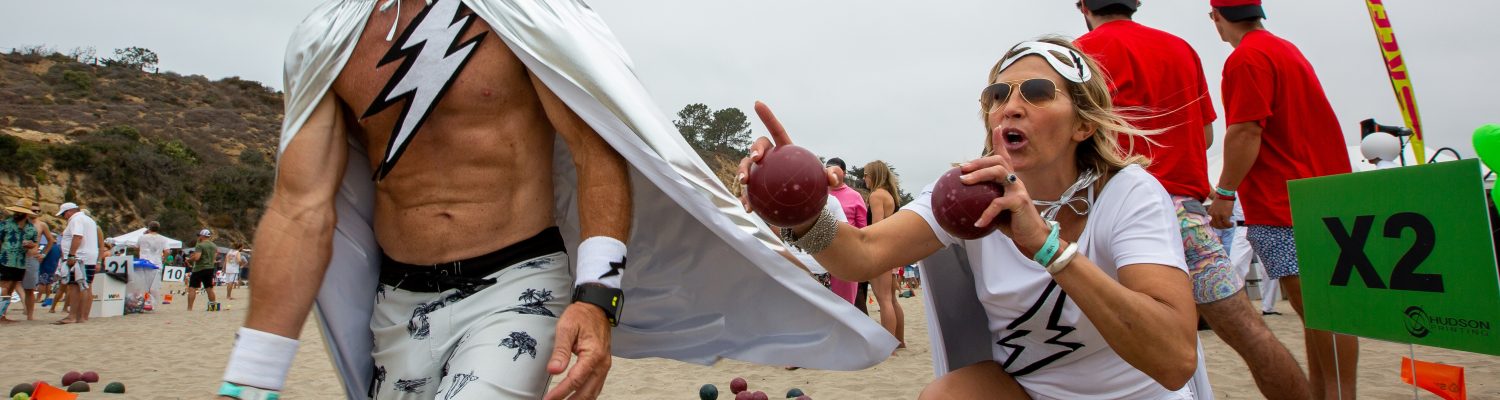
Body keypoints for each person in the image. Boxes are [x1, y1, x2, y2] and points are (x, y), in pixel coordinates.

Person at [221, 1, 895, 398]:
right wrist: (251, 379)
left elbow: (595, 150)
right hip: (397, 304)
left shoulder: (526, 13)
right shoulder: (330, 39)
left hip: (517, 285)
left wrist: (597, 299)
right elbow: (300, 209)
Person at [740, 37, 1199, 399]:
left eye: (1038, 92)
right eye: (997, 95)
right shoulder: (964, 193)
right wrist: (801, 206)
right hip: (1027, 390)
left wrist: (1047, 247)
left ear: (1084, 124)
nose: (1010, 106)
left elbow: (1175, 361)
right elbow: (863, 254)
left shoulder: (1127, 194)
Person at [1072, 1, 1310, 398]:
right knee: (1248, 331)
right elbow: (1206, 135)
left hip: (1115, 207)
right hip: (1183, 209)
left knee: (1104, 337)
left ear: (1083, 6)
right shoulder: (1179, 48)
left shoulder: (1077, 54)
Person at [1206, 1, 1358, 398]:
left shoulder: (1247, 58)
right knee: (1319, 313)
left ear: (1216, 16)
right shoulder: (1285, 49)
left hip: (1284, 200)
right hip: (1319, 193)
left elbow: (1246, 130)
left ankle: (1340, 394)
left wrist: (1225, 192)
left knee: (1323, 312)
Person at [862, 160, 906, 349]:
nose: (864, 179)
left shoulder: (876, 195)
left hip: (881, 251)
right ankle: (899, 341)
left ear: (873, 176)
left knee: (884, 300)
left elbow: (877, 226)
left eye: (866, 175)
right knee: (892, 299)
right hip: (893, 250)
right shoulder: (890, 195)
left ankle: (889, 347)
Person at [824, 157, 867, 311]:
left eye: (836, 169)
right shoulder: (819, 193)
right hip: (822, 255)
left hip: (846, 255)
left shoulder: (855, 196)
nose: (831, 172)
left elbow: (863, 229)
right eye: (828, 168)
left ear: (845, 173)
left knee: (846, 306)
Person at [55, 202, 99, 325]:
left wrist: (71, 255)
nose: (64, 217)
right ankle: (82, 316)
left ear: (69, 212)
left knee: (75, 286)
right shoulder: (89, 220)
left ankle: (72, 316)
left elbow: (77, 237)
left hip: (79, 257)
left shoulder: (76, 220)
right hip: (89, 257)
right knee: (86, 286)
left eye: (63, 214)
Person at [1, 200, 39, 324]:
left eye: (20, 212)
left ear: (26, 213)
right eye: (16, 211)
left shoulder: (31, 228)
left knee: (11, 289)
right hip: (6, 260)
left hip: (20, 262)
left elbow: (34, 243)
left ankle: (3, 315)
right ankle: (0, 315)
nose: (16, 213)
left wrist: (30, 245)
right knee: (4, 287)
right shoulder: (5, 224)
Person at [28, 203, 60, 314]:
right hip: (19, 258)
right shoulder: (22, 223)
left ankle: (29, 310)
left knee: (32, 285)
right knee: (13, 283)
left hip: (34, 258)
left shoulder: (42, 225)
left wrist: (43, 254)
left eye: (38, 211)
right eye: (34, 210)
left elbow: (50, 240)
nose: (36, 213)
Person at [136, 221, 171, 309]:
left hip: (144, 263)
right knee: (154, 285)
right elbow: (167, 251)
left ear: (149, 228)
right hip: (156, 263)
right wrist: (163, 258)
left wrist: (140, 254)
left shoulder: (142, 237)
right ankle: (150, 303)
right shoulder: (163, 239)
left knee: (143, 284)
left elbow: (137, 247)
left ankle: (142, 302)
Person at [187, 229, 219, 311]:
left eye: (199, 235)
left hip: (199, 268)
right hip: (210, 268)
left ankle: (189, 308)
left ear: (202, 236)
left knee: (192, 288)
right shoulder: (214, 245)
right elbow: (215, 255)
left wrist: (189, 259)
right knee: (209, 288)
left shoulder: (200, 245)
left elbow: (197, 258)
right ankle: (213, 307)